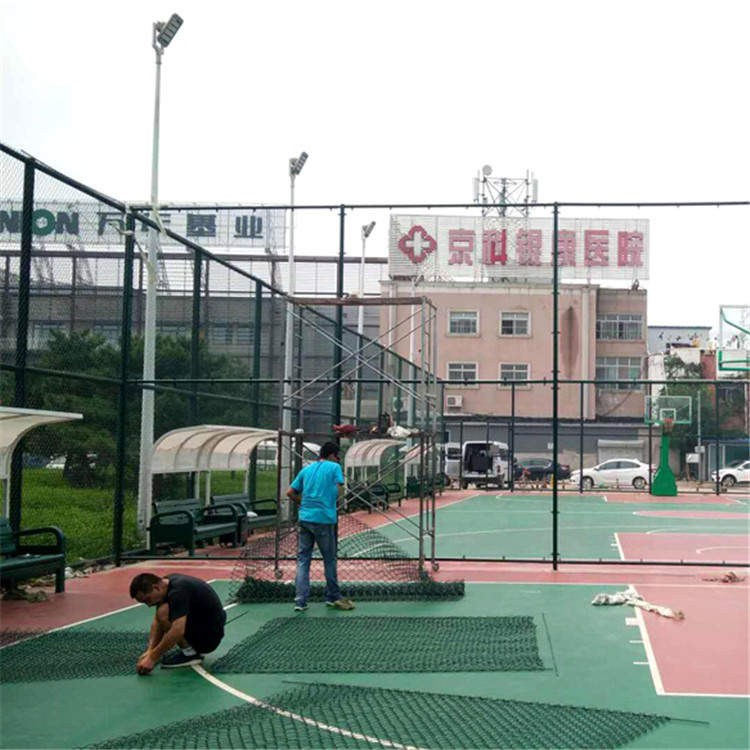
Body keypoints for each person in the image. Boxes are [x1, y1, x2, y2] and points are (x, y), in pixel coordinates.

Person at [286, 441, 355, 613]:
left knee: (303, 560)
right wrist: (328, 498)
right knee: (329, 559)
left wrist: (304, 504)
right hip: (324, 519)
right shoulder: (334, 467)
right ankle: (332, 596)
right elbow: (337, 492)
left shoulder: (306, 469)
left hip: (305, 518)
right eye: (337, 456)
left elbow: (290, 492)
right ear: (332, 455)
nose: (338, 460)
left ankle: (300, 600)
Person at [129, 572, 226, 674]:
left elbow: (178, 631)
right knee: (161, 610)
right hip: (203, 626)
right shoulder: (168, 582)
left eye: (148, 600)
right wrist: (150, 651)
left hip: (208, 639)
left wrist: (152, 658)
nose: (149, 605)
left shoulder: (178, 591)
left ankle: (190, 654)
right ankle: (189, 650)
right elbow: (157, 620)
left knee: (163, 611)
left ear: (156, 587)